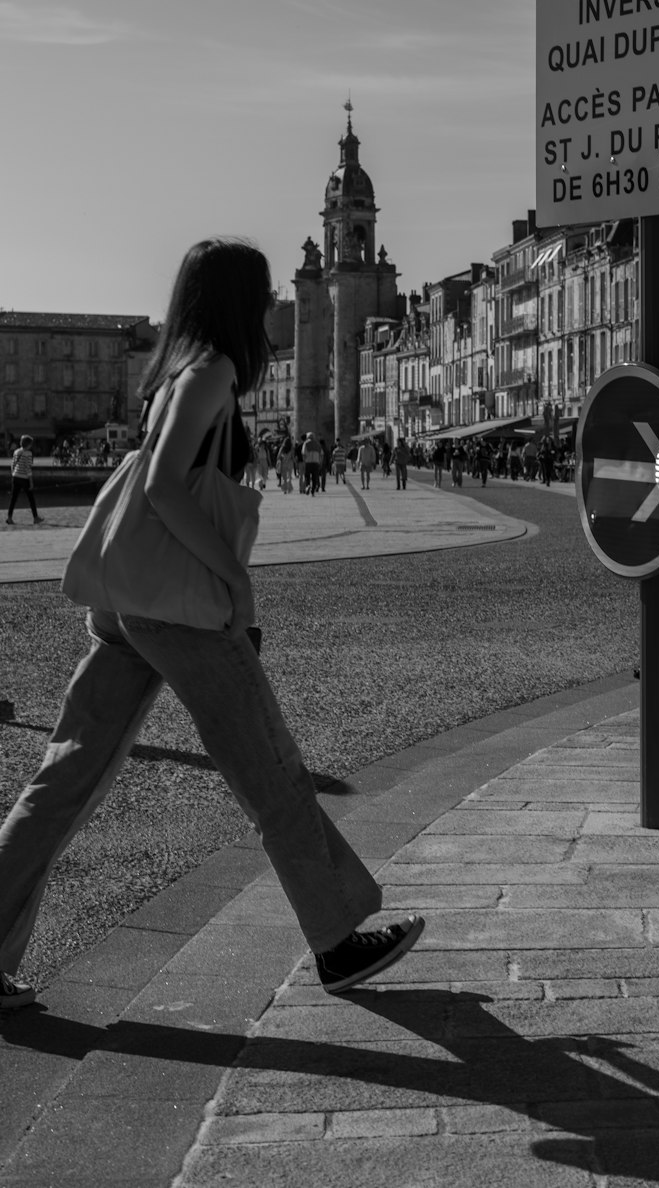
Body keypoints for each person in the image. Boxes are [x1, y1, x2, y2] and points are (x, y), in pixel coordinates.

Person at [0, 238, 422, 1012]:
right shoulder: (214, 372)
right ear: (237, 300)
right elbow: (164, 487)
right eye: (261, 295)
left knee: (65, 778)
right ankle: (335, 941)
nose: (270, 308)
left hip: (130, 604)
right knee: (270, 769)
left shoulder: (170, 373)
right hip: (182, 608)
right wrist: (233, 577)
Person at [6, 436, 42, 525]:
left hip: (15, 477)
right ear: (29, 444)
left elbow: (12, 464)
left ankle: (9, 518)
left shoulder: (16, 451)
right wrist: (31, 482)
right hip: (24, 478)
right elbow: (28, 468)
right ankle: (35, 518)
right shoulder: (28, 453)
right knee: (31, 499)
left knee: (13, 498)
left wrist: (13, 473)